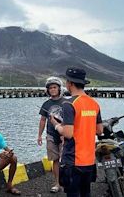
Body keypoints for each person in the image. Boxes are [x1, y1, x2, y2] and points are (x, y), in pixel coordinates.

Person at [49, 68, 103, 197]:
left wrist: (56, 125)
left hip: (73, 161)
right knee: (86, 192)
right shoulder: (94, 104)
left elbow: (68, 133)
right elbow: (99, 130)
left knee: (73, 193)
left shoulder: (69, 103)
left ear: (70, 83)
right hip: (89, 160)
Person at [37, 76, 66, 193]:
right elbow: (43, 120)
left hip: (65, 134)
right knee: (55, 160)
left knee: (66, 160)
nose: (52, 89)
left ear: (59, 88)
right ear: (47, 90)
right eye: (50, 88)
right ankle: (57, 183)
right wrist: (39, 135)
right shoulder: (46, 104)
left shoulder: (66, 102)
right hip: (51, 135)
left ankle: (68, 182)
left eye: (55, 87)